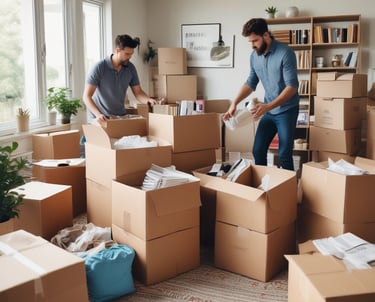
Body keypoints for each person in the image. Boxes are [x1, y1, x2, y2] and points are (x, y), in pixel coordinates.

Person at [223, 18, 299, 171]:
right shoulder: (254, 56)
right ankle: (262, 185)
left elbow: (292, 87)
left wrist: (268, 107)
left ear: (265, 35)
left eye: (255, 41)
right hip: (269, 110)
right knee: (258, 150)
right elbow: (251, 82)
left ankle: (288, 190)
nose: (252, 45)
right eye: (250, 42)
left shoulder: (285, 53)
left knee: (284, 153)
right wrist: (234, 104)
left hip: (286, 111)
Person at [83, 34, 156, 124]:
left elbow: (138, 92)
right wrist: (98, 114)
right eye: (127, 54)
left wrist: (148, 100)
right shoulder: (99, 67)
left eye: (131, 54)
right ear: (117, 50)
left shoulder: (130, 68)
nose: (129, 57)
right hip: (99, 118)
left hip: (120, 117)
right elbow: (87, 96)